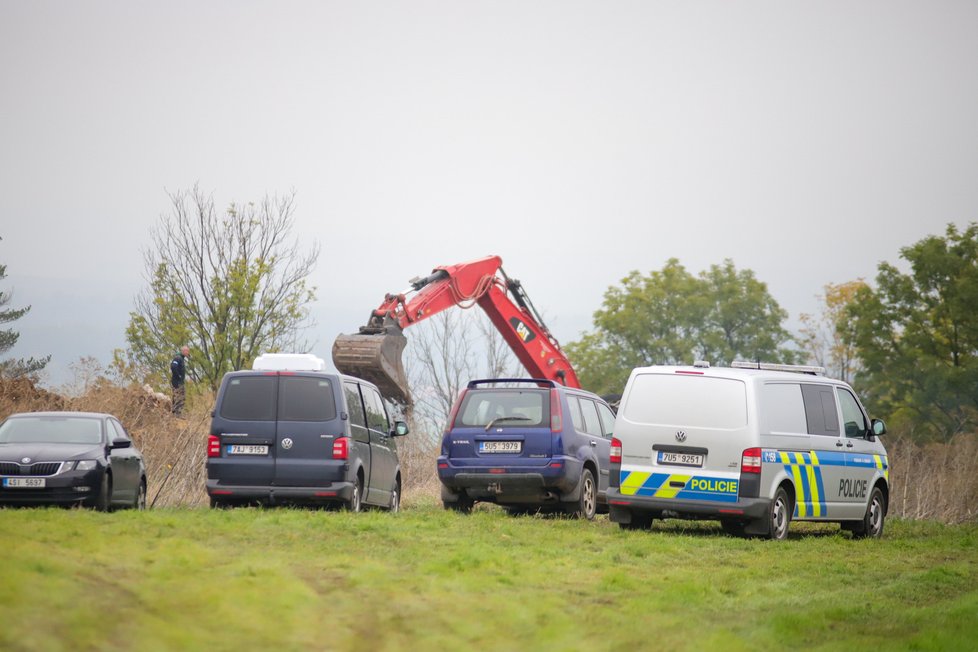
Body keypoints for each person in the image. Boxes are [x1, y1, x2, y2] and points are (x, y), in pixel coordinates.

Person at [170, 345, 190, 416]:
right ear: (184, 351)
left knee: (178, 397)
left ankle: (174, 413)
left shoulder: (181, 358)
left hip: (180, 382)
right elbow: (173, 366)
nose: (188, 353)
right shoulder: (178, 358)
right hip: (177, 382)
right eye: (187, 351)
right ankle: (177, 414)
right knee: (180, 397)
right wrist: (178, 376)